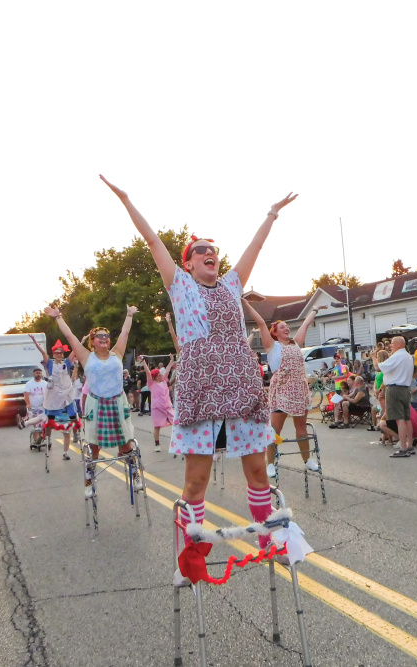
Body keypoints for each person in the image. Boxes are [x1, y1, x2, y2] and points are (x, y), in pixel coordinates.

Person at [100, 173, 295, 579]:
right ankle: (192, 555)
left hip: (240, 386)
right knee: (196, 482)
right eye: (200, 250)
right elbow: (152, 240)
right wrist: (127, 201)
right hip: (201, 390)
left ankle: (268, 542)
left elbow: (255, 247)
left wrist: (271, 214)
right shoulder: (180, 286)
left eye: (214, 250)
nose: (210, 254)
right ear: (188, 262)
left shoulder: (232, 284)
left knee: (257, 471)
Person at [44, 304, 142, 491]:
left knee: (126, 445)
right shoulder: (86, 357)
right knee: (93, 447)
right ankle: (89, 482)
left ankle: (135, 475)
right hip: (96, 404)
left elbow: (125, 333)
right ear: (93, 341)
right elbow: (70, 336)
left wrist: (129, 315)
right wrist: (58, 317)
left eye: (107, 336)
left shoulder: (117, 353)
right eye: (100, 336)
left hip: (117, 402)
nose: (104, 338)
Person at [241, 299, 323, 477]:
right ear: (275, 332)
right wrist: (246, 304)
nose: (287, 328)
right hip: (281, 391)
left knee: (301, 428)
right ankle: (270, 463)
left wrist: (315, 309)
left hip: (299, 390)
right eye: (282, 327)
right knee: (274, 429)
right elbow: (261, 322)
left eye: (287, 326)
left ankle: (307, 460)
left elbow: (305, 324)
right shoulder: (272, 346)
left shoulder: (296, 343)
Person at [29, 336, 78, 461]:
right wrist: (35, 342)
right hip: (54, 396)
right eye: (56, 353)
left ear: (63, 354)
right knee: (49, 421)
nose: (59, 355)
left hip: (65, 395)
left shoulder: (66, 363)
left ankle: (68, 446)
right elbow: (43, 353)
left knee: (71, 419)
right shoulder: (50, 364)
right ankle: (44, 436)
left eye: (61, 353)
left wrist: (81, 342)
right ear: (54, 354)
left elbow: (75, 350)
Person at [372, 336, 415, 458]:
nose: (390, 345)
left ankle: (403, 447)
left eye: (392, 343)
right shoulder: (408, 356)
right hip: (406, 388)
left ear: (399, 344)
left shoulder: (398, 355)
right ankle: (409, 445)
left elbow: (378, 367)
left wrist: (373, 357)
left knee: (399, 419)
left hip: (395, 388)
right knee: (406, 418)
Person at [140, 354, 176, 452]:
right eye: (159, 374)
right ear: (155, 377)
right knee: (157, 426)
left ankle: (176, 442)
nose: (161, 375)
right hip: (157, 408)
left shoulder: (164, 381)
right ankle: (157, 444)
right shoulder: (151, 384)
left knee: (176, 423)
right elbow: (148, 373)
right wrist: (143, 362)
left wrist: (171, 360)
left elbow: (167, 370)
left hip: (168, 407)